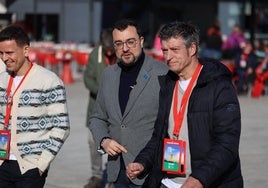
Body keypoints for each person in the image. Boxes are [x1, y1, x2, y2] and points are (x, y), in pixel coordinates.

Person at [126, 21, 243, 188]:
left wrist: (199, 178)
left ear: (192, 49)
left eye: (175, 50)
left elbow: (227, 144)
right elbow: (159, 137)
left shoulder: (219, 86)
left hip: (208, 183)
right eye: (165, 50)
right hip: (168, 182)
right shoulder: (167, 84)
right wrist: (142, 162)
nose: (168, 57)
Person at [89, 19, 168, 187]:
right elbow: (97, 117)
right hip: (118, 171)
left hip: (150, 172)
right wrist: (104, 140)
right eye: (119, 43)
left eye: (130, 42)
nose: (125, 48)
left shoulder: (162, 73)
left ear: (140, 41)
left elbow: (168, 125)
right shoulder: (108, 75)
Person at [0, 25, 70, 187]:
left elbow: (62, 126)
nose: (4, 58)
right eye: (1, 53)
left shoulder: (49, 80)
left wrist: (41, 163)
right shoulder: (2, 79)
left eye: (9, 53)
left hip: (30, 167)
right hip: (2, 164)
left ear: (25, 50)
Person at [83, 28, 117, 188]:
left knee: (115, 143)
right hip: (96, 107)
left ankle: (112, 177)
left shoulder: (121, 54)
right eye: (107, 49)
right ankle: (96, 175)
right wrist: (102, 91)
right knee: (93, 141)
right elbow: (87, 79)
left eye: (112, 49)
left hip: (116, 110)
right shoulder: (95, 54)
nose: (110, 52)